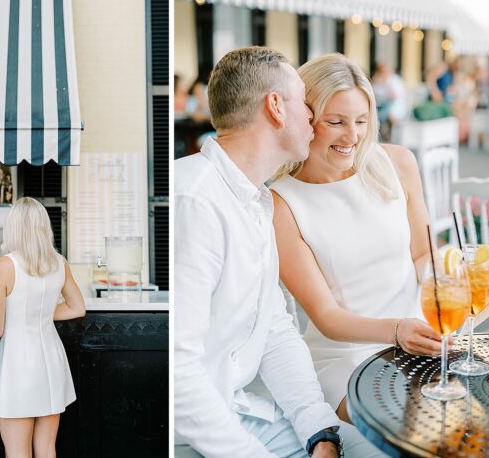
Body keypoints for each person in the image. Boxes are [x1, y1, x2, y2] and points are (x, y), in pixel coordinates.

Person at [174, 47, 378, 457]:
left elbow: (272, 329)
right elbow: (178, 376)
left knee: (371, 450)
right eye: (303, 102)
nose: (312, 117)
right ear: (276, 108)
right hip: (191, 434)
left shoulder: (255, 200)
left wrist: (321, 431)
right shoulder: (195, 200)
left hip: (241, 414)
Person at [271, 53, 437, 424]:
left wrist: (440, 285)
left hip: (421, 343)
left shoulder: (397, 163)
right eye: (336, 122)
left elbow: (423, 252)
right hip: (346, 358)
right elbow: (327, 316)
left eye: (361, 121)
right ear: (305, 117)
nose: (353, 136)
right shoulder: (282, 204)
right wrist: (397, 331)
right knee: (427, 434)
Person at [0, 197, 85, 457]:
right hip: (51, 361)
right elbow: (77, 307)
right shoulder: (59, 262)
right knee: (46, 448)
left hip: (16, 365)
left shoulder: (2, 266)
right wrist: (40, 313)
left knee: (17, 451)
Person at [370, 63, 408, 142]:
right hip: (382, 106)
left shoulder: (395, 80)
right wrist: (373, 82)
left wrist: (385, 84)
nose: (383, 73)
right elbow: (372, 94)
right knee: (375, 113)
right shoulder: (378, 81)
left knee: (387, 115)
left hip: (397, 106)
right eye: (381, 71)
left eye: (385, 71)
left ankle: (387, 135)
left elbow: (394, 96)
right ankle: (380, 134)